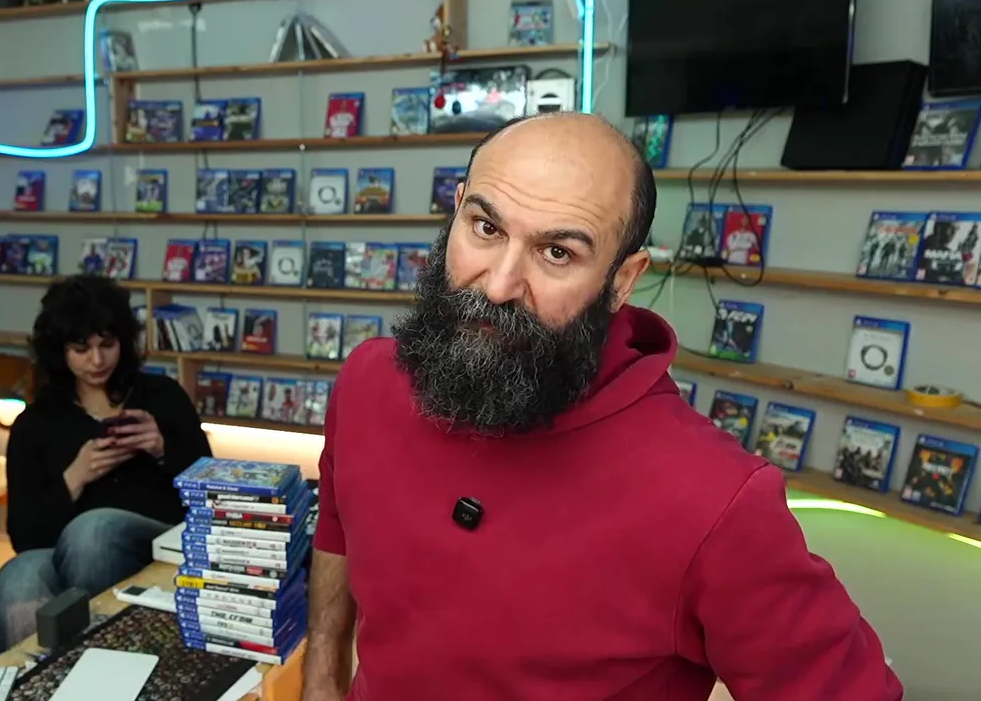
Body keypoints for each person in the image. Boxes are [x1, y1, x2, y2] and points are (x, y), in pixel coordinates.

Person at [302, 113, 902, 701]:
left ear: (622, 280)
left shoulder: (715, 497)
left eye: (557, 253)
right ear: (456, 210)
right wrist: (322, 682)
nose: (499, 284)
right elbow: (337, 530)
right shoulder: (368, 381)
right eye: (485, 228)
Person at [0, 274, 211, 658]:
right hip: (64, 554)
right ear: (59, 350)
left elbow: (211, 491)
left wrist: (161, 448)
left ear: (124, 341)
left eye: (107, 344)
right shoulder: (35, 424)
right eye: (81, 349)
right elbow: (25, 537)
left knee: (93, 531)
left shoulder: (161, 395)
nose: (97, 360)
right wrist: (74, 478)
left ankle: (102, 662)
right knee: (16, 580)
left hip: (156, 540)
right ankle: (31, 683)